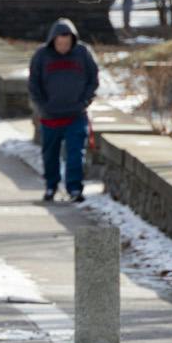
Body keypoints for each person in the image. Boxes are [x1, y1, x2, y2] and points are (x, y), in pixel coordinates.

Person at [27, 18, 100, 204]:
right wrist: (42, 106)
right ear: (53, 41)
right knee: (50, 154)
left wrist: (85, 101)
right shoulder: (42, 55)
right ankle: (51, 185)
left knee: (76, 154)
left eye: (67, 44)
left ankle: (74, 187)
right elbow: (33, 84)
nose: (63, 48)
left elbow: (93, 79)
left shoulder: (82, 53)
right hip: (50, 115)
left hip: (76, 114)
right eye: (60, 44)